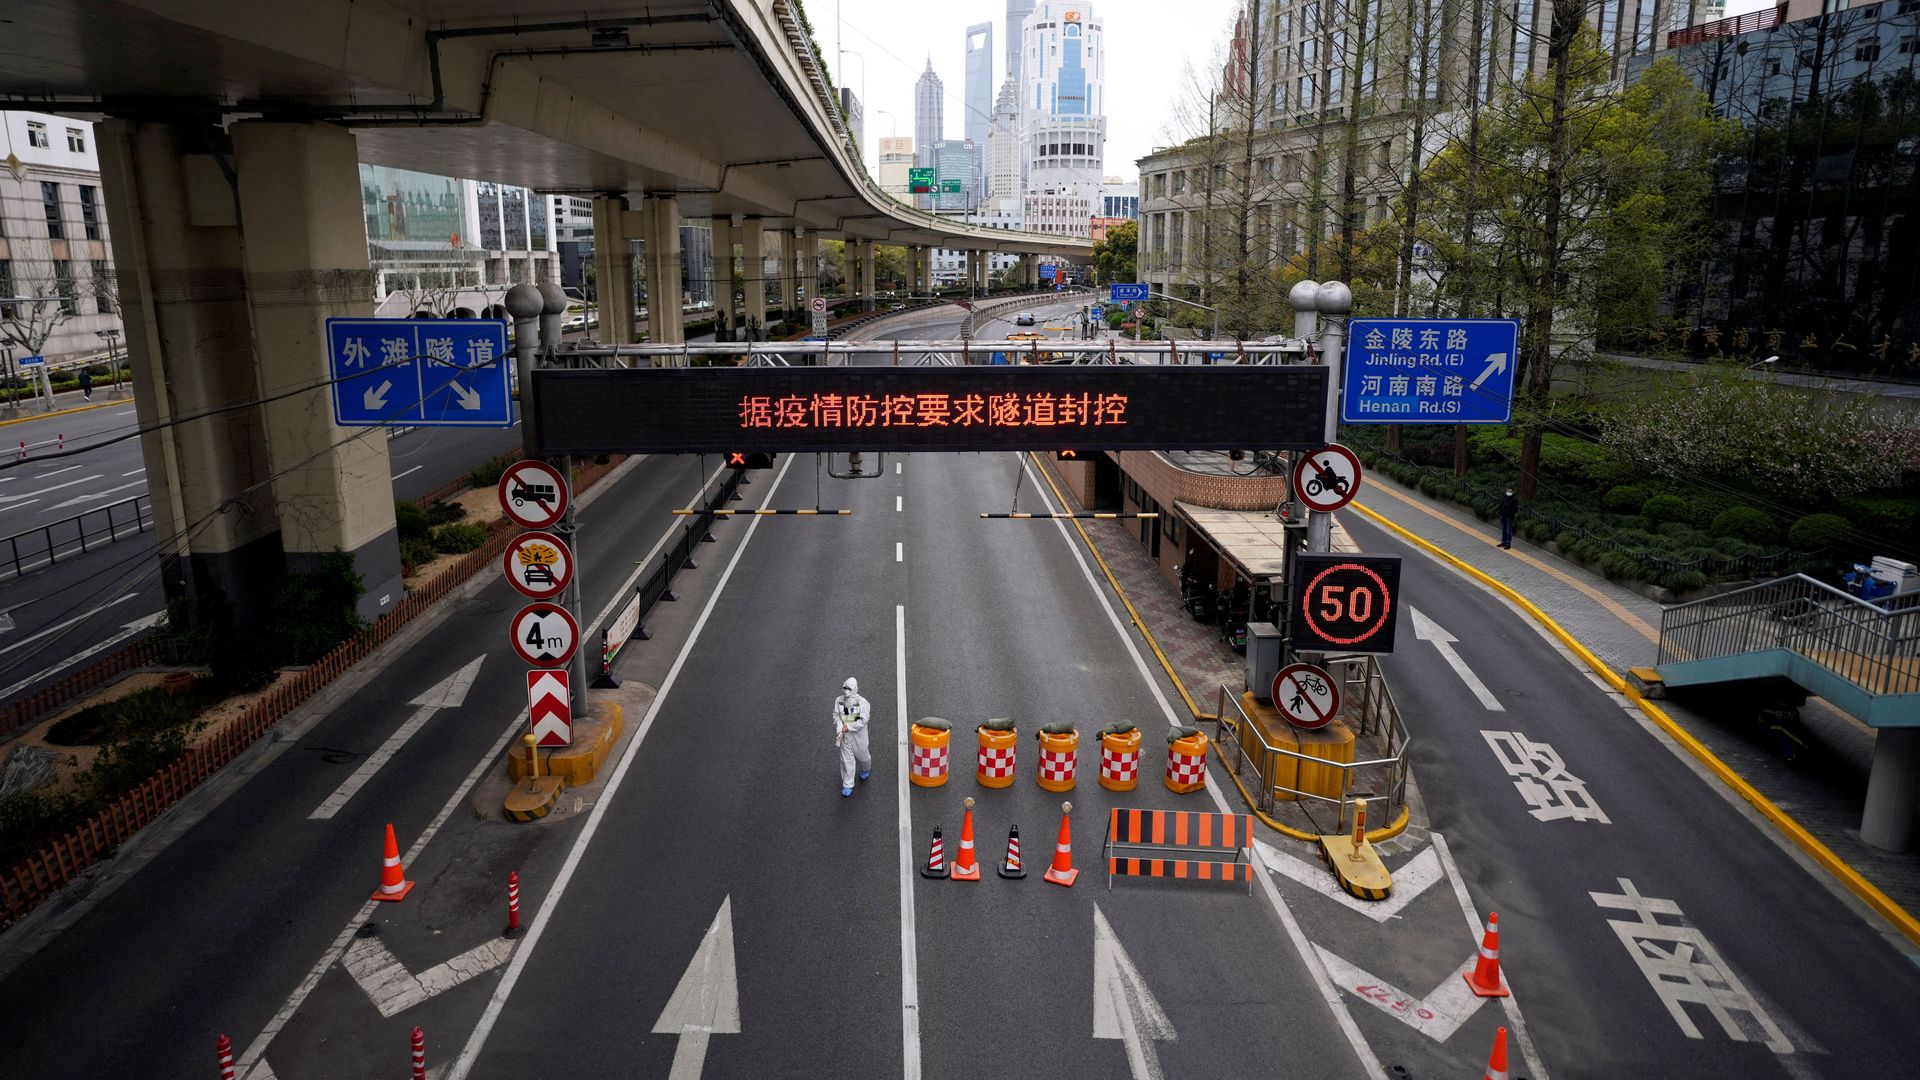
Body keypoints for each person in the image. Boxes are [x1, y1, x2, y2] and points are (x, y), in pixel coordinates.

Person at [833, 677, 871, 797]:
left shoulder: (862, 702)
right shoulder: (839, 700)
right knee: (846, 761)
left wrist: (848, 727)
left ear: (854, 689)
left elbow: (863, 720)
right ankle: (847, 784)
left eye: (849, 688)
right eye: (845, 688)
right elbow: (837, 716)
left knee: (863, 756)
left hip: (859, 736)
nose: (846, 691)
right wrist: (839, 728)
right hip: (845, 737)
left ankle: (866, 768)